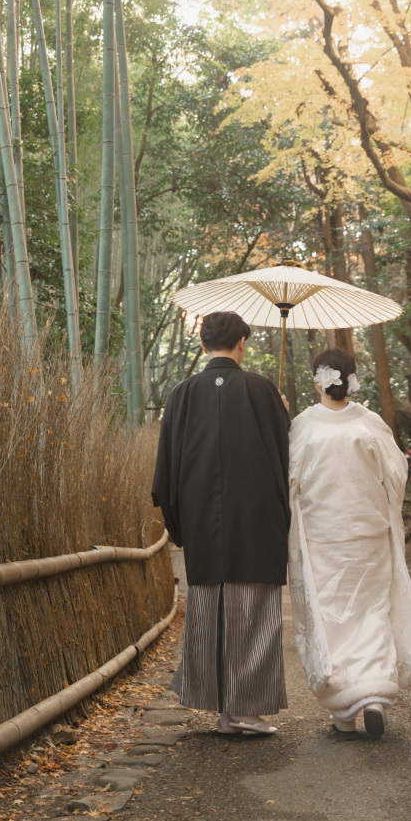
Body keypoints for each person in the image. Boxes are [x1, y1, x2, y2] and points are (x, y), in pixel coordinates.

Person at [288, 347, 411, 737]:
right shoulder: (370, 423)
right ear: (353, 378)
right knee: (372, 611)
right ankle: (372, 697)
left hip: (324, 536)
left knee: (333, 617)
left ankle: (343, 713)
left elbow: (290, 481)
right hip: (370, 533)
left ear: (317, 380)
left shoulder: (303, 425)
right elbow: (396, 475)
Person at [151, 310, 291, 735]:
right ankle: (246, 709)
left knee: (209, 613)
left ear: (201, 344)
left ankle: (223, 711)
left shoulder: (182, 394)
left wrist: (180, 525)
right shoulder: (262, 390)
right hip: (256, 521)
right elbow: (288, 461)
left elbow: (166, 471)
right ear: (242, 343)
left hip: (201, 523)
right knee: (253, 612)